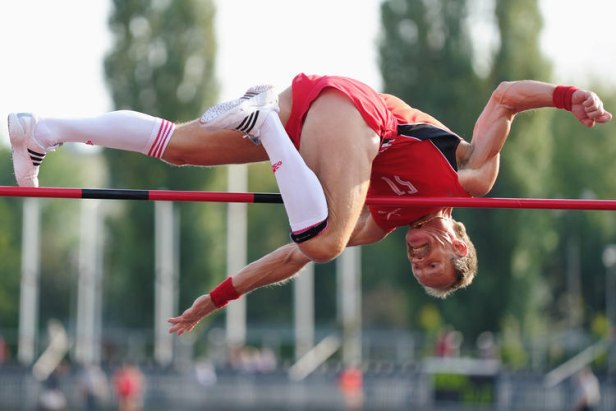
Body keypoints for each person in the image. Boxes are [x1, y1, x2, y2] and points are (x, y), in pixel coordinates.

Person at [7, 74, 612, 336]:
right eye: (431, 262)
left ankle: (43, 130)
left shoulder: (376, 225)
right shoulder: (470, 178)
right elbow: (506, 97)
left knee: (182, 149)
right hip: (356, 116)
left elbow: (288, 258)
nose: (417, 258)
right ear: (459, 242)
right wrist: (569, 97)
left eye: (417, 269)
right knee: (324, 239)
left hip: (312, 108)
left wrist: (213, 300)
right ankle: (262, 123)